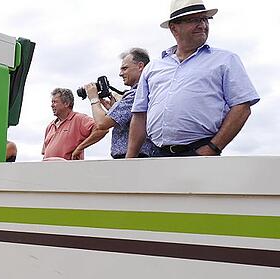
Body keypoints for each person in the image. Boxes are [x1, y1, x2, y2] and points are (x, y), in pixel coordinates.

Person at [126, 0, 259, 158]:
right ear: (174, 28)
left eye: (204, 19)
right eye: (194, 20)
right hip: (156, 155)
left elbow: (242, 107)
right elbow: (140, 115)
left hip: (201, 152)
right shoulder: (153, 67)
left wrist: (212, 148)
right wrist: (130, 159)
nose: (202, 25)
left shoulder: (226, 60)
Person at [72, 48, 154, 159]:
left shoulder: (136, 94)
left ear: (140, 66)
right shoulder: (146, 91)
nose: (120, 74)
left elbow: (102, 124)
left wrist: (94, 98)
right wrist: (113, 109)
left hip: (134, 159)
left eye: (125, 68)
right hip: (138, 158)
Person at [42, 88, 95, 160]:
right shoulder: (50, 126)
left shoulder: (79, 119)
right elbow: (44, 152)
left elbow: (101, 129)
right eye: (52, 102)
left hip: (69, 169)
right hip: (48, 169)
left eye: (55, 102)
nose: (52, 105)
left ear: (66, 103)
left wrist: (80, 148)